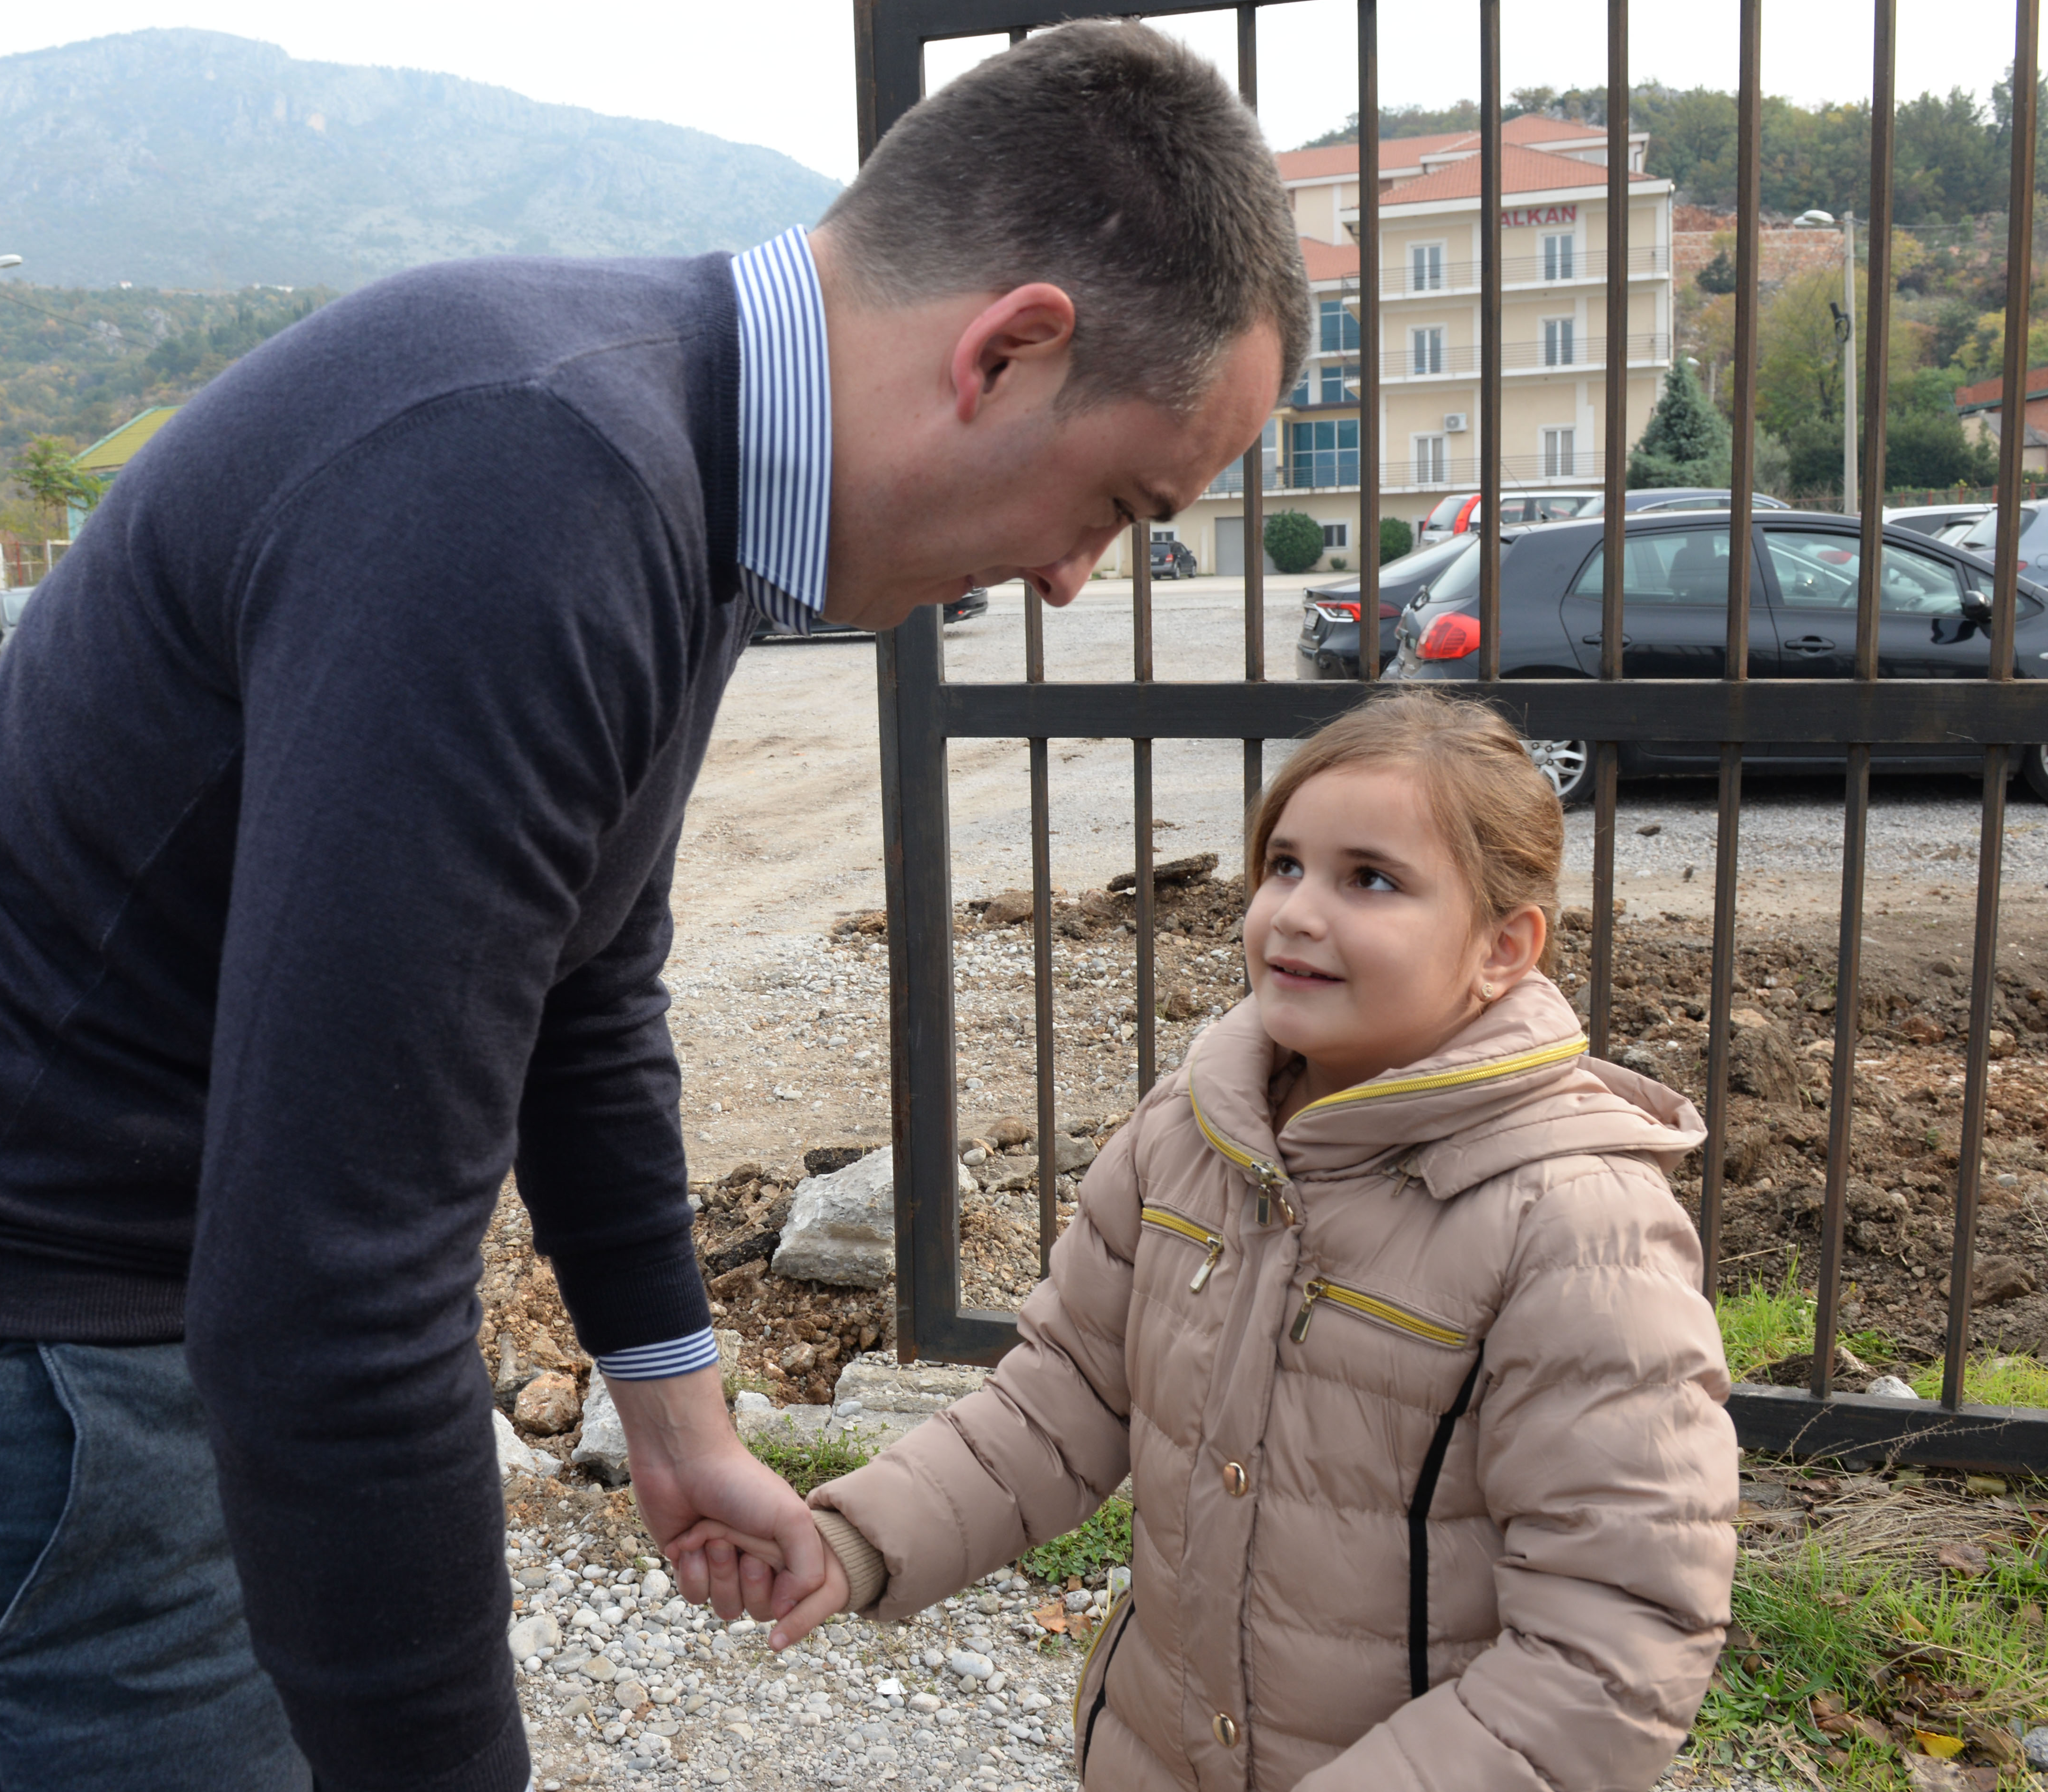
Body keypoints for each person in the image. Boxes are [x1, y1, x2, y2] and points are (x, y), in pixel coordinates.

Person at [0, 19, 1308, 1792]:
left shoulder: (677, 471)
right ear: (1009, 353)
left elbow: (590, 979)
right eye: (1117, 506)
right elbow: (331, 1284)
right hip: (9, 1372)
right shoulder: (530, 485)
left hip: (131, 1338)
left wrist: (674, 1410)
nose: (1077, 580)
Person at [697, 691, 1741, 1792]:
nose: (1294, 910)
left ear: (1501, 947)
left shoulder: (1577, 1227)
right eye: (1283, 864)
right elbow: (1059, 1404)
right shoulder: (1191, 1131)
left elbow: (1614, 1636)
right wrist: (859, 1538)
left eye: (1369, 878)